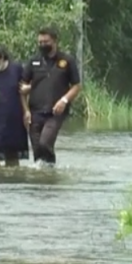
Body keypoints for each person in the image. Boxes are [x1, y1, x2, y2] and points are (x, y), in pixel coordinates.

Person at [20, 26, 82, 167]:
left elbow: (76, 86)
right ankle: (43, 181)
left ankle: (50, 172)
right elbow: (21, 88)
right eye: (40, 42)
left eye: (46, 42)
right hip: (35, 111)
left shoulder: (67, 61)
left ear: (54, 41)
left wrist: (64, 100)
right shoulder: (33, 61)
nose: (42, 45)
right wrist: (26, 111)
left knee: (45, 142)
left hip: (55, 112)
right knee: (37, 150)